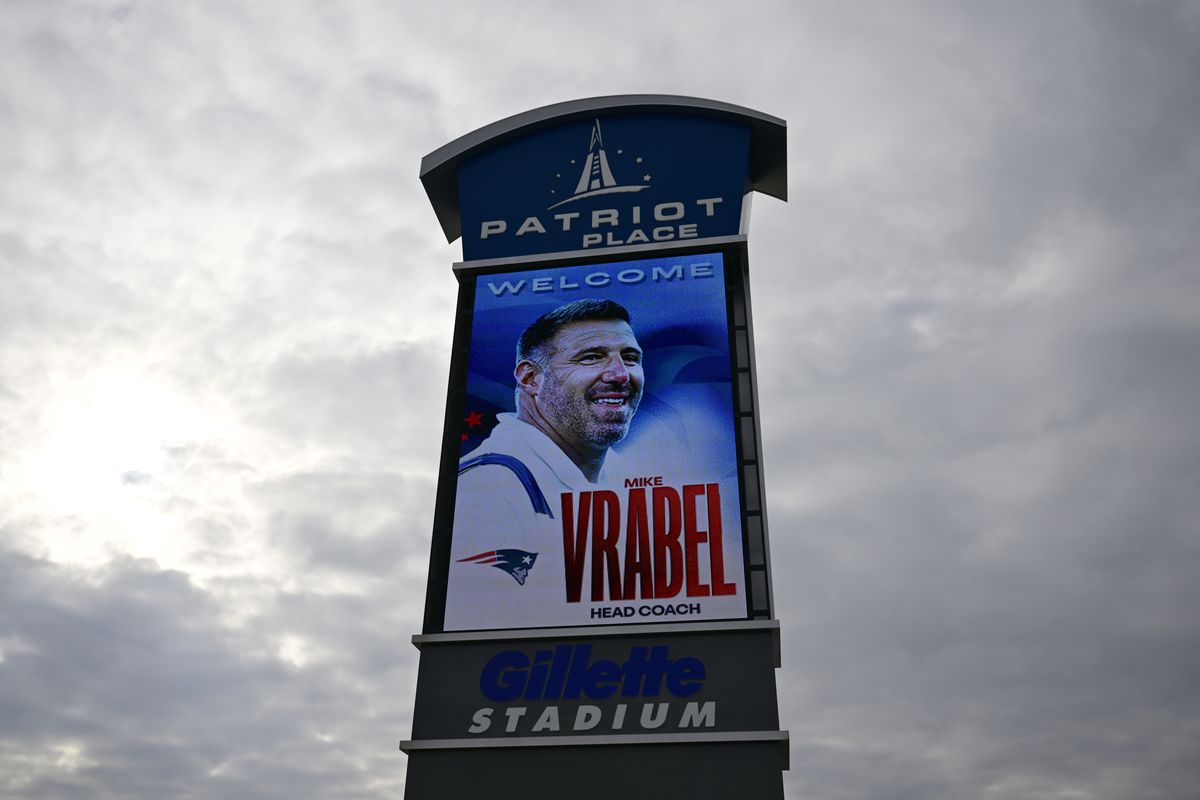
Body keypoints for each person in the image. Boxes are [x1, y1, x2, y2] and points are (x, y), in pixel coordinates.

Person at [443, 299, 644, 629]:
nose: (620, 375)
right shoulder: (488, 487)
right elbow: (478, 637)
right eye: (591, 357)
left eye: (630, 358)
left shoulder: (630, 477)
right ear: (530, 378)